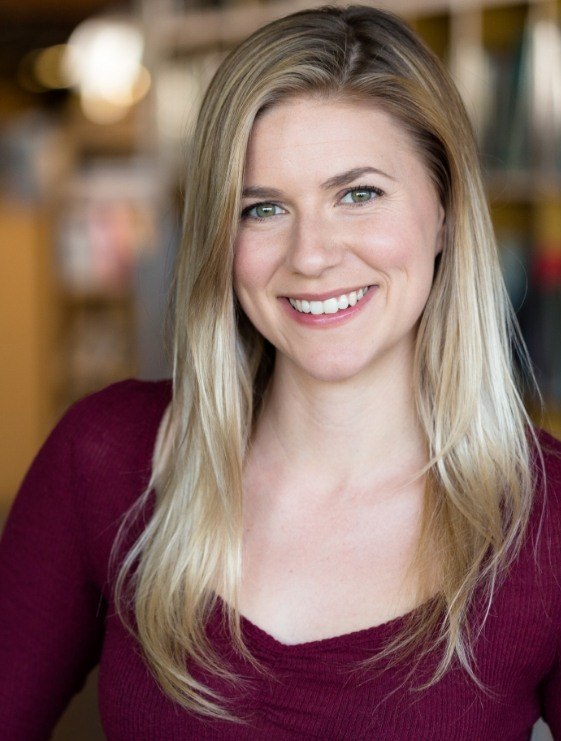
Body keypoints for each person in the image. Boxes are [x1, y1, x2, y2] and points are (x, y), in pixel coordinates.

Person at [1, 5, 560, 739]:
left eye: (358, 194)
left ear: (447, 211)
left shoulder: (544, 519)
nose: (311, 254)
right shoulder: (104, 456)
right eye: (262, 208)